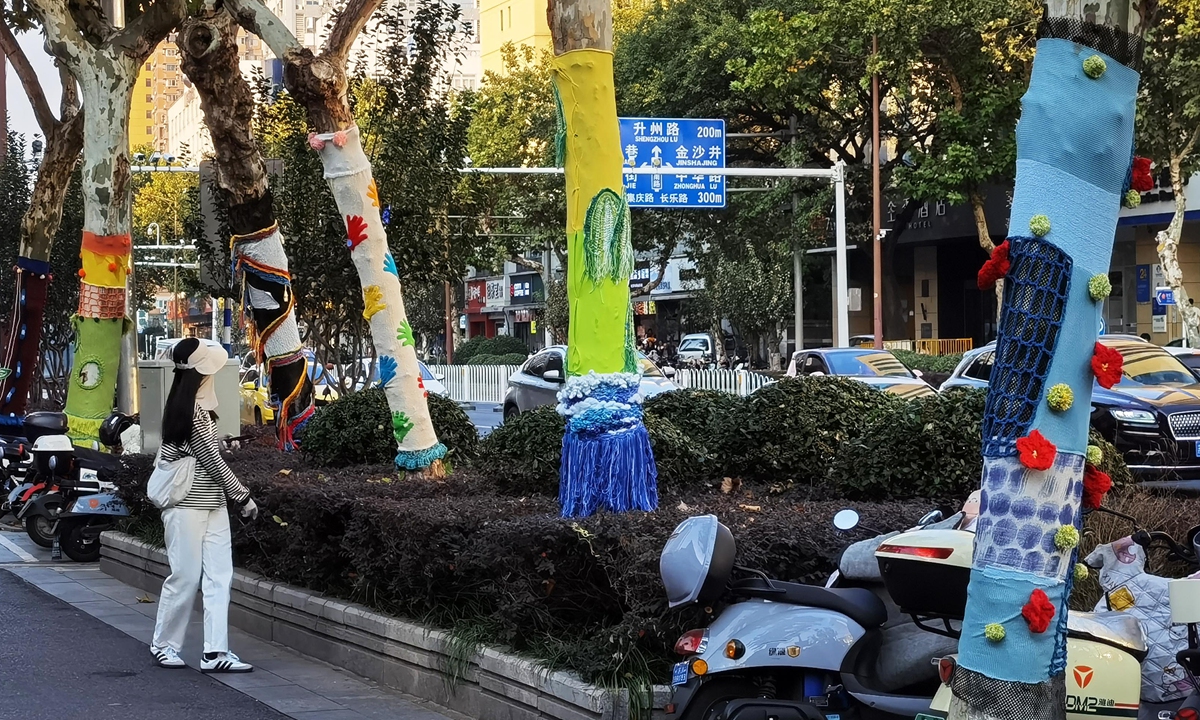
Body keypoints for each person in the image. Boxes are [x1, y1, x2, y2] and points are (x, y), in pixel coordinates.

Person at [150, 338, 258, 673]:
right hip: (186, 506)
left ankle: (215, 652)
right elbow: (211, 459)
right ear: (203, 374)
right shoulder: (194, 413)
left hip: (210, 504)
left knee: (219, 577)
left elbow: (207, 453)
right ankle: (163, 645)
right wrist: (242, 496)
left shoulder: (191, 408)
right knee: (185, 576)